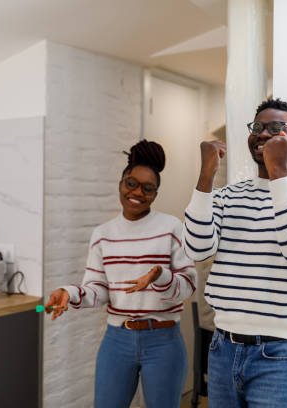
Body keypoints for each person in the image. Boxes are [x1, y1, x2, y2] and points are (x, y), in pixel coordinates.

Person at [183, 98, 287, 407]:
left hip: (280, 353)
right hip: (222, 347)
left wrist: (280, 174)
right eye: (258, 127)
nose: (263, 134)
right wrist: (205, 177)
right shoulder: (227, 196)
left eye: (276, 128)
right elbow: (196, 249)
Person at [44, 140, 197, 408]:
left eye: (148, 188)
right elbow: (98, 290)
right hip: (117, 340)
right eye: (131, 183)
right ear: (120, 184)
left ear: (155, 194)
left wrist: (159, 276)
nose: (138, 192)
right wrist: (69, 292)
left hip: (163, 340)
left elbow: (188, 285)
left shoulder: (171, 227)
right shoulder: (103, 234)